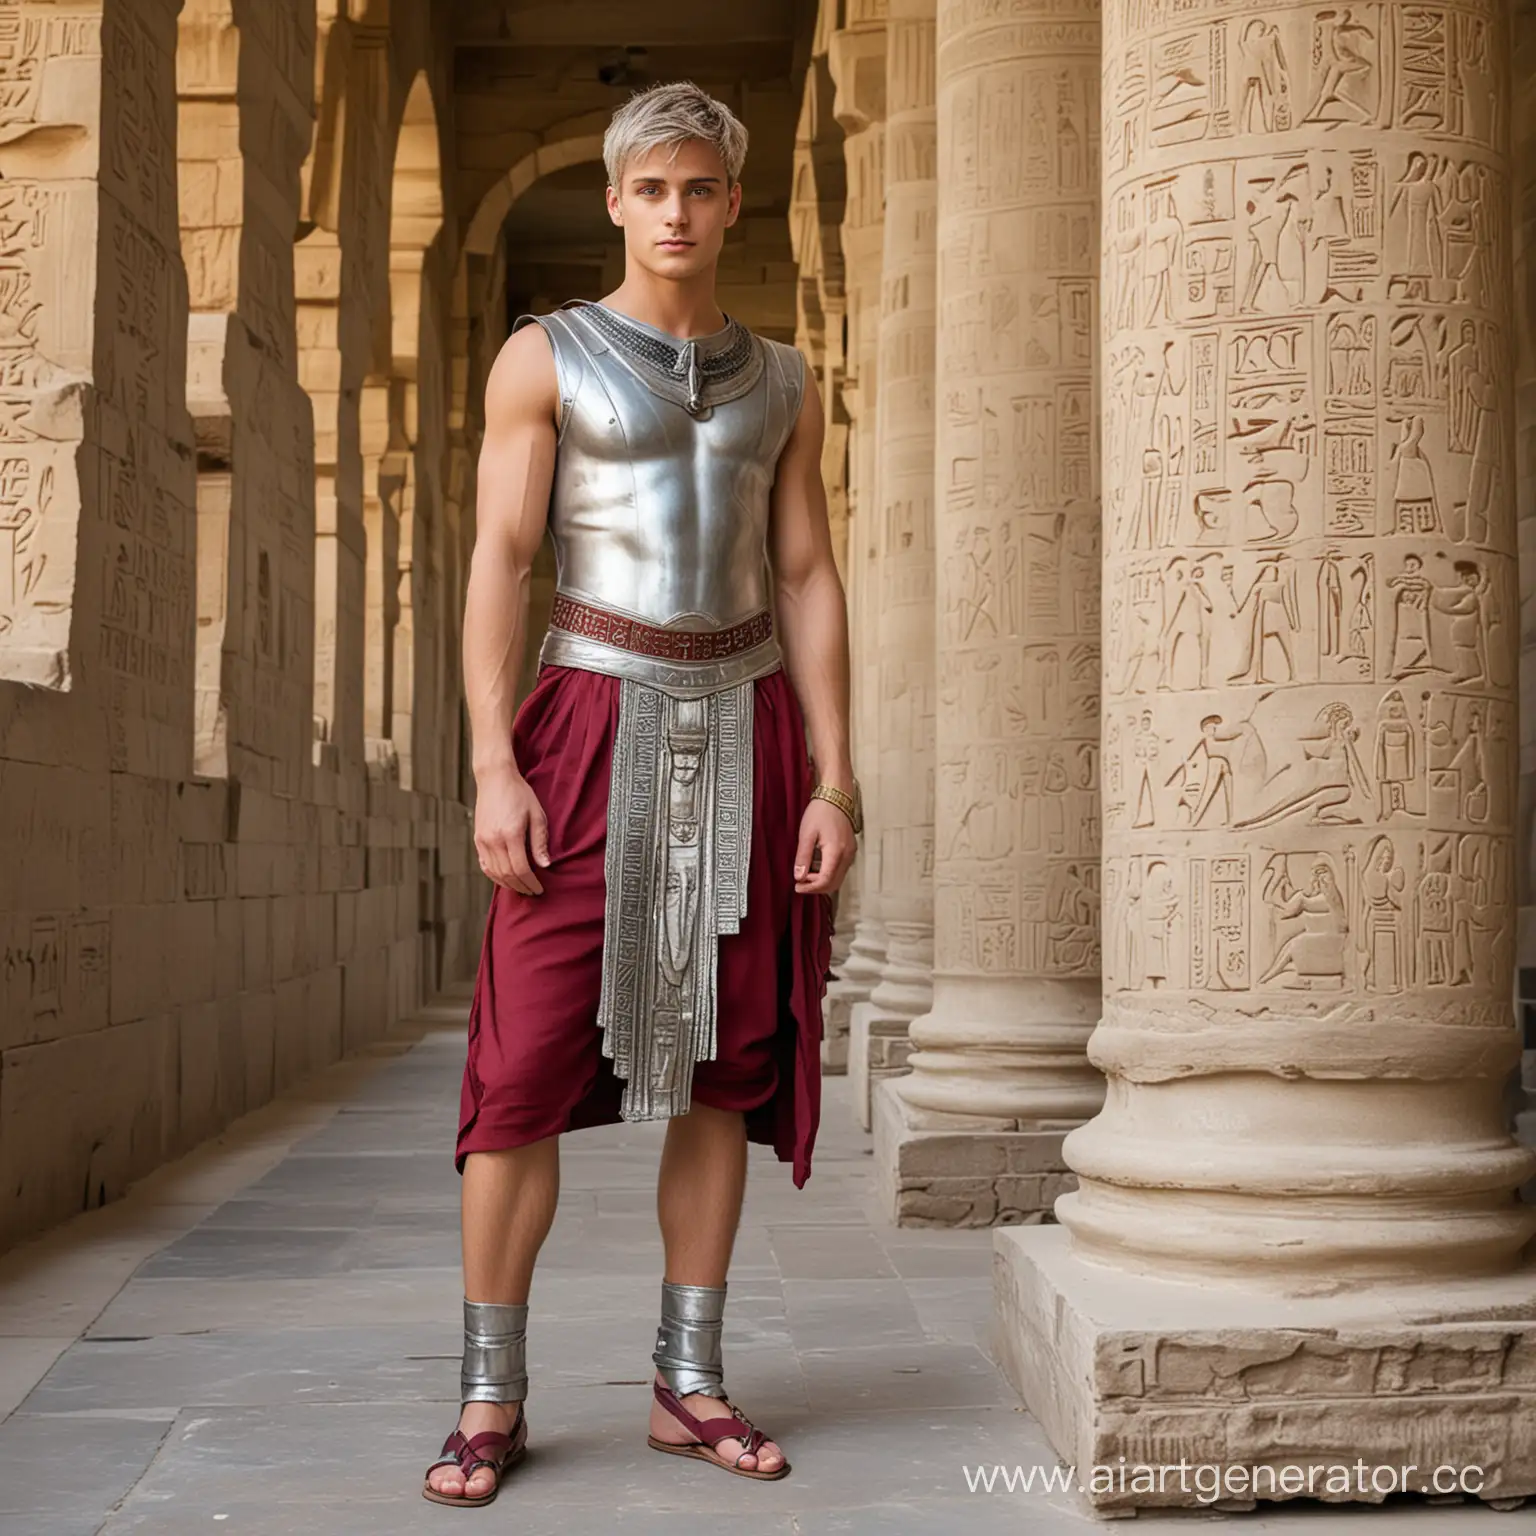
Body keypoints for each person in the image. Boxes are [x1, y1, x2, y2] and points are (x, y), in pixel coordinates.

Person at [422, 82, 859, 1507]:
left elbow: (804, 576)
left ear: (734, 204)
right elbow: (502, 556)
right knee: (522, 1075)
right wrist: (492, 758)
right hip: (585, 717)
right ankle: (490, 1394)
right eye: (651, 189)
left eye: (700, 190)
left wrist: (837, 776)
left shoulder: (783, 380)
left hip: (747, 724)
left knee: (725, 1076)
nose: (676, 212)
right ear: (615, 200)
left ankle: (689, 1379)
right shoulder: (544, 359)